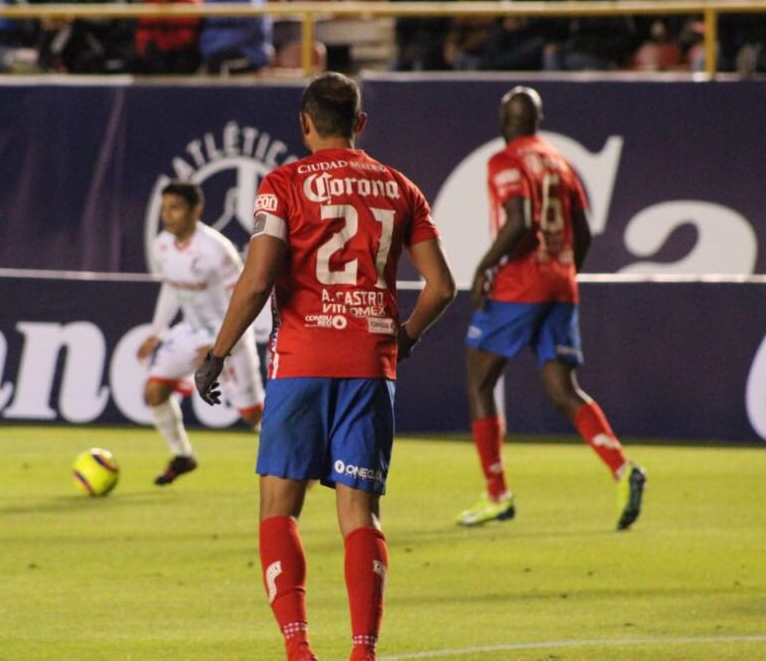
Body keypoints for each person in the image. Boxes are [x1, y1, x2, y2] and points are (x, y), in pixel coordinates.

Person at [194, 72, 456, 661]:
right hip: (369, 362)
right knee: (360, 509)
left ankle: (298, 647)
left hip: (301, 362)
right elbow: (440, 287)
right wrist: (405, 338)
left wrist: (218, 353)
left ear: (305, 123)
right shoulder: (401, 188)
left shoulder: (282, 184)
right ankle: (363, 650)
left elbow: (259, 278)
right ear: (360, 124)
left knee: (279, 504)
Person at [459, 86, 646, 530]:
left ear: (505, 124)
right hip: (560, 282)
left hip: (520, 283)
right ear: (539, 121)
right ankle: (622, 469)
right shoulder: (562, 163)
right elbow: (583, 230)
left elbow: (521, 220)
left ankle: (497, 495)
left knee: (479, 381)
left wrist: (485, 266)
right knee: (563, 389)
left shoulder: (504, 160)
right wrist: (563, 271)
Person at [137, 181, 265, 486]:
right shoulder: (162, 245)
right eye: (165, 208)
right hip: (191, 331)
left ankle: (299, 458)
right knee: (155, 390)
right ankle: (183, 455)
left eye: (176, 208)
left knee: (251, 414)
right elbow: (171, 287)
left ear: (196, 211)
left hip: (229, 335)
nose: (167, 216)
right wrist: (157, 331)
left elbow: (241, 298)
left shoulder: (216, 250)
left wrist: (216, 344)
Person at [199, 0, 272, 75]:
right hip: (216, 49)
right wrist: (210, 46)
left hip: (250, 52)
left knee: (218, 62)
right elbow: (209, 27)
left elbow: (249, 33)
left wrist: (216, 45)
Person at [133, 0, 202, 74]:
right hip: (157, 51)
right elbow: (143, 32)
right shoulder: (147, 2)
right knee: (140, 59)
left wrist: (168, 42)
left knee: (183, 59)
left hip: (180, 49)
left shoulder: (188, 0)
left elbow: (188, 34)